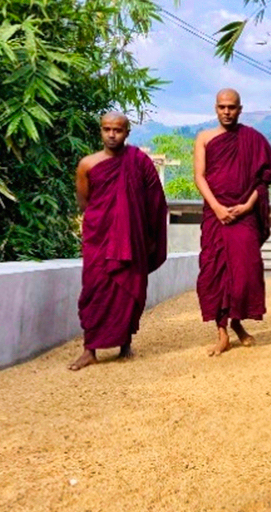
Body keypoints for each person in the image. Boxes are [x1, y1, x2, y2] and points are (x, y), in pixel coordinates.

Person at [69, 112, 168, 371]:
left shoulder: (139, 162)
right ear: (100, 131)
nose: (112, 134)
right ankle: (90, 350)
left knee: (129, 290)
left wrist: (145, 235)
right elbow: (84, 202)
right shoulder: (87, 164)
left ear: (127, 133)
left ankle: (125, 344)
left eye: (118, 130)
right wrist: (108, 219)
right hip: (99, 238)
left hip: (131, 239)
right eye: (107, 129)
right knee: (94, 289)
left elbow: (155, 202)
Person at [194, 88, 271, 356]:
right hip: (216, 215)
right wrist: (217, 207)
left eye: (231, 107)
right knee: (214, 272)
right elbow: (200, 176)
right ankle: (222, 333)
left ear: (240, 109)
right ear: (215, 108)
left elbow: (266, 176)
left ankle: (237, 323)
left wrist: (249, 204)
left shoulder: (252, 139)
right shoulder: (204, 138)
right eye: (222, 107)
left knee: (245, 273)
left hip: (244, 214)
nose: (227, 112)